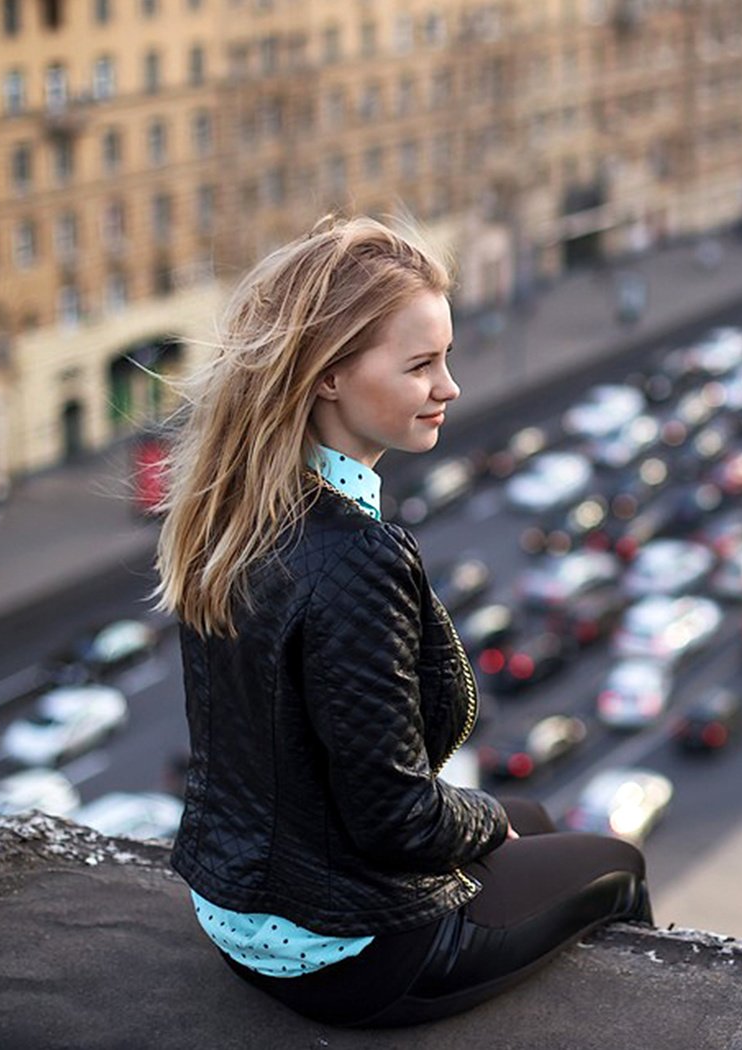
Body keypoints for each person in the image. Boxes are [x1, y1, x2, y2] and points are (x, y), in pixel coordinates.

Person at [153, 214, 651, 1028]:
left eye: (444, 359)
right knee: (614, 863)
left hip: (237, 911)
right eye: (421, 364)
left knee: (532, 822)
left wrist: (497, 823)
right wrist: (485, 818)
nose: (448, 387)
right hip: (346, 952)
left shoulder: (232, 509)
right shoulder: (353, 556)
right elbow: (395, 820)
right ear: (326, 376)